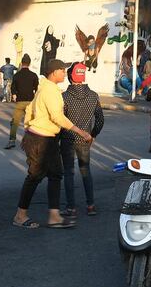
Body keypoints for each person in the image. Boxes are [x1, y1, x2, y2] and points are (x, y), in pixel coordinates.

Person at [12, 59, 93, 229]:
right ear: (54, 72)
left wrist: (29, 126)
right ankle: (20, 215)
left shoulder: (47, 88)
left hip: (45, 138)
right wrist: (81, 132)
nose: (65, 74)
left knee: (56, 174)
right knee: (34, 176)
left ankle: (54, 216)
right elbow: (58, 117)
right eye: (63, 71)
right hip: (40, 139)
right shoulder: (50, 91)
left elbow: (29, 111)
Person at [60, 62, 105, 218]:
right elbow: (100, 120)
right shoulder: (93, 96)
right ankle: (90, 205)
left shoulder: (64, 97)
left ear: (70, 77)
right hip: (85, 139)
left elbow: (60, 121)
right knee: (86, 171)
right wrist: (92, 135)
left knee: (68, 173)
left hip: (67, 139)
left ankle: (71, 208)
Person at [6, 54, 40, 149]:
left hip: (20, 103)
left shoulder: (17, 75)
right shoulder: (33, 75)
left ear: (21, 63)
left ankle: (12, 141)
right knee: (31, 123)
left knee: (15, 122)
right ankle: (33, 142)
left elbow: (13, 88)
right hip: (30, 102)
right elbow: (37, 89)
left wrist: (14, 95)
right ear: (29, 63)